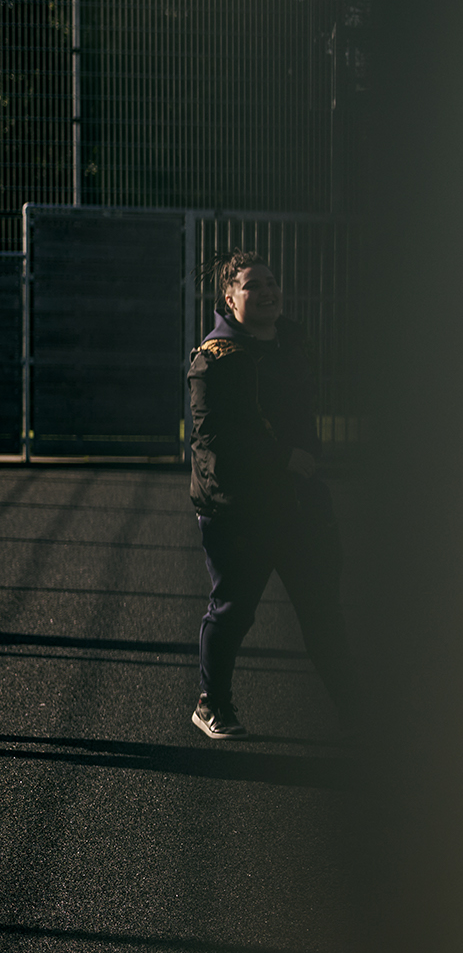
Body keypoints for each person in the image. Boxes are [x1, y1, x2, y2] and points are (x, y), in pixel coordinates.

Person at [186, 252, 353, 739]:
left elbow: (305, 414)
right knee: (234, 610)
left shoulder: (289, 345)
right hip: (238, 509)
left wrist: (306, 454)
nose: (266, 292)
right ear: (229, 297)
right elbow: (213, 439)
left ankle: (358, 713)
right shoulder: (211, 360)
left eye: (271, 282)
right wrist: (281, 457)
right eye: (252, 285)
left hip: (297, 503)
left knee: (323, 610)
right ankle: (211, 703)